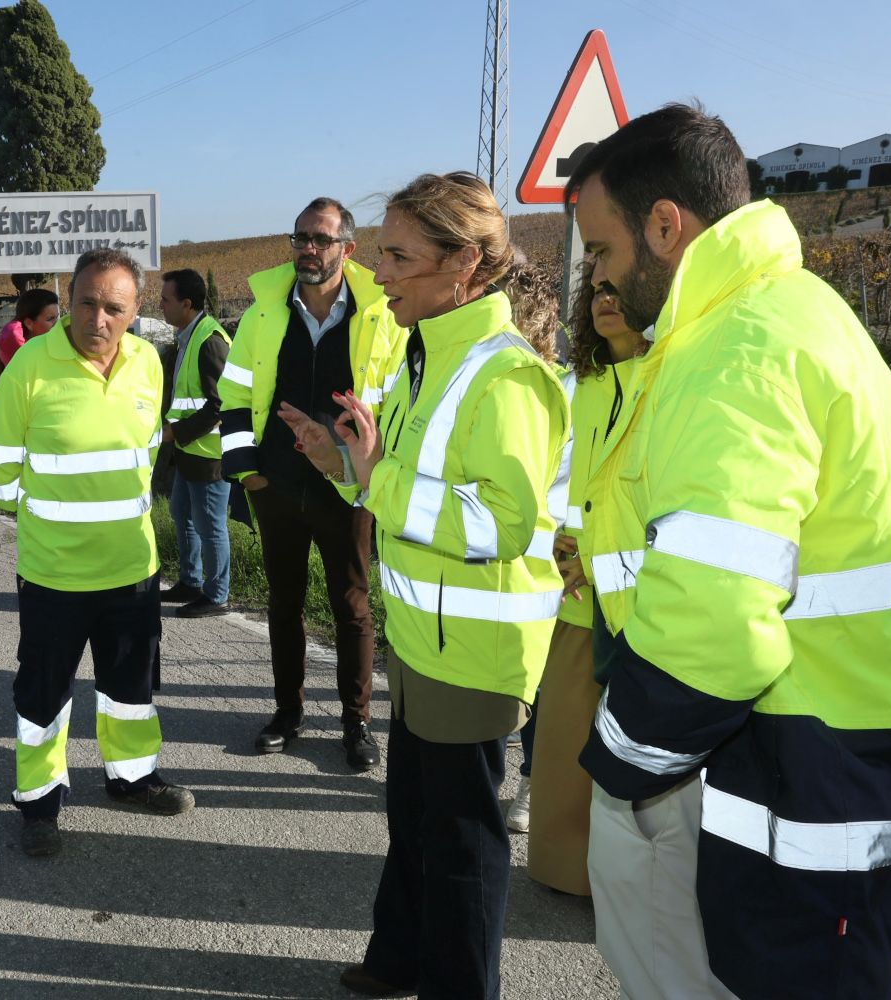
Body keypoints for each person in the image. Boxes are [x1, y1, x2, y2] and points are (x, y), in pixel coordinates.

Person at [567, 103, 891, 1000]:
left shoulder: (733, 352)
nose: (601, 276)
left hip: (812, 764)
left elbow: (719, 618)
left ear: (664, 224)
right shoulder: (793, 310)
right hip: (845, 740)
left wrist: (621, 758)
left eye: (604, 251)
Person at [282, 172, 568, 999]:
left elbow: (500, 523)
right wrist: (339, 464)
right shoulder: (425, 357)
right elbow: (396, 483)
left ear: (465, 264)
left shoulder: (505, 376)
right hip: (422, 645)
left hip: (472, 657)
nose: (379, 274)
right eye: (380, 254)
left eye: (400, 256)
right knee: (413, 824)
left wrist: (373, 474)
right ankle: (398, 962)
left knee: (462, 851)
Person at [0, 248, 196, 858]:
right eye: (86, 303)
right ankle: (40, 803)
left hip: (132, 570)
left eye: (114, 308)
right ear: (68, 299)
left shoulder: (148, 363)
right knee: (44, 694)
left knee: (131, 687)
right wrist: (50, 515)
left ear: (134, 314)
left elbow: (149, 446)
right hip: (54, 574)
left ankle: (131, 779)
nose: (97, 318)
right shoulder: (31, 365)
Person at [218, 197, 408, 769]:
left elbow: (399, 400)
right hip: (277, 484)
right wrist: (247, 471)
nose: (306, 249)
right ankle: (287, 712)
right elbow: (232, 394)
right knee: (284, 604)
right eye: (299, 238)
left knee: (351, 605)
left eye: (319, 240)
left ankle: (357, 722)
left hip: (349, 486)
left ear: (347, 249)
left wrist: (372, 474)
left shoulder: (381, 315)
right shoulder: (264, 313)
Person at [522, 262, 646, 892]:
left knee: (640, 763)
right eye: (596, 291)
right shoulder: (578, 386)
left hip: (646, 605)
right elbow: (552, 488)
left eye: (618, 291)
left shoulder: (672, 382)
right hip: (575, 597)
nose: (604, 302)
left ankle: (628, 886)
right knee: (567, 746)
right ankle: (569, 873)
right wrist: (562, 548)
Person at [492, 256, 564, 835]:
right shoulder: (482, 383)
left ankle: (534, 783)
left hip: (553, 571)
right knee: (500, 684)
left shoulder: (566, 388)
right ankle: (494, 772)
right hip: (490, 570)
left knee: (541, 688)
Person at [157, 267, 233, 618]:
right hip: (188, 452)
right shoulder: (187, 336)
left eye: (166, 299)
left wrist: (177, 432)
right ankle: (190, 580)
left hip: (208, 454)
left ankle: (216, 595)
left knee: (210, 524)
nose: (160, 305)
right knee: (182, 514)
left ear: (187, 303)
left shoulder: (210, 340)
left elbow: (221, 405)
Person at [0, 286, 60, 376]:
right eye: (50, 319)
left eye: (57, 317)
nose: (57, 324)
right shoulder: (21, 352)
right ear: (29, 324)